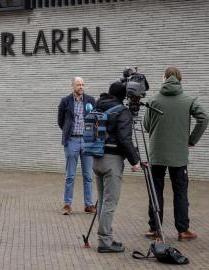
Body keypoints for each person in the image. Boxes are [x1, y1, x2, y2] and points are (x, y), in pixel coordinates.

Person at [143, 67, 209, 241]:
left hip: (157, 153)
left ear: (164, 78)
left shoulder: (153, 99)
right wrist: (192, 139)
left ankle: (154, 229)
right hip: (179, 155)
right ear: (180, 79)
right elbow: (204, 117)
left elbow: (147, 126)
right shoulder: (189, 100)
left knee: (155, 190)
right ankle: (183, 230)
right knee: (180, 191)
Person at [92, 82, 140, 253]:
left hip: (96, 159)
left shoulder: (98, 106)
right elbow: (125, 139)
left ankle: (106, 237)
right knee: (110, 202)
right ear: (123, 96)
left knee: (104, 201)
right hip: (112, 161)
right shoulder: (122, 111)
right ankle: (105, 242)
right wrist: (135, 162)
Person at [58, 77, 96, 215]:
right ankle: (67, 204)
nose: (81, 86)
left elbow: (95, 119)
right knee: (70, 175)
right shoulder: (65, 101)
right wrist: (69, 133)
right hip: (72, 141)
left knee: (88, 175)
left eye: (82, 84)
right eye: (78, 84)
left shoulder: (91, 100)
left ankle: (88, 205)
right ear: (72, 86)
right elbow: (60, 121)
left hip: (86, 141)